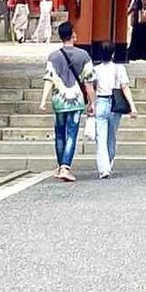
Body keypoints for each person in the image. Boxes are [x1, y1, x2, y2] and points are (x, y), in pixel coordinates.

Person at [39, 21, 95, 182]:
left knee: (59, 134)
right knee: (71, 134)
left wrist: (43, 101)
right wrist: (93, 102)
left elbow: (48, 79)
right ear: (73, 35)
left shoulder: (53, 56)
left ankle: (60, 165)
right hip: (76, 100)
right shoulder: (83, 56)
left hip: (58, 99)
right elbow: (89, 83)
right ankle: (65, 167)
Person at [92, 41, 137, 179]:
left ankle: (103, 168)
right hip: (115, 104)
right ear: (112, 53)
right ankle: (109, 162)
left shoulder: (96, 69)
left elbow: (92, 88)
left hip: (100, 101)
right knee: (111, 136)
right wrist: (132, 106)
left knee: (101, 137)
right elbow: (125, 87)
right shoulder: (119, 68)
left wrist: (91, 103)